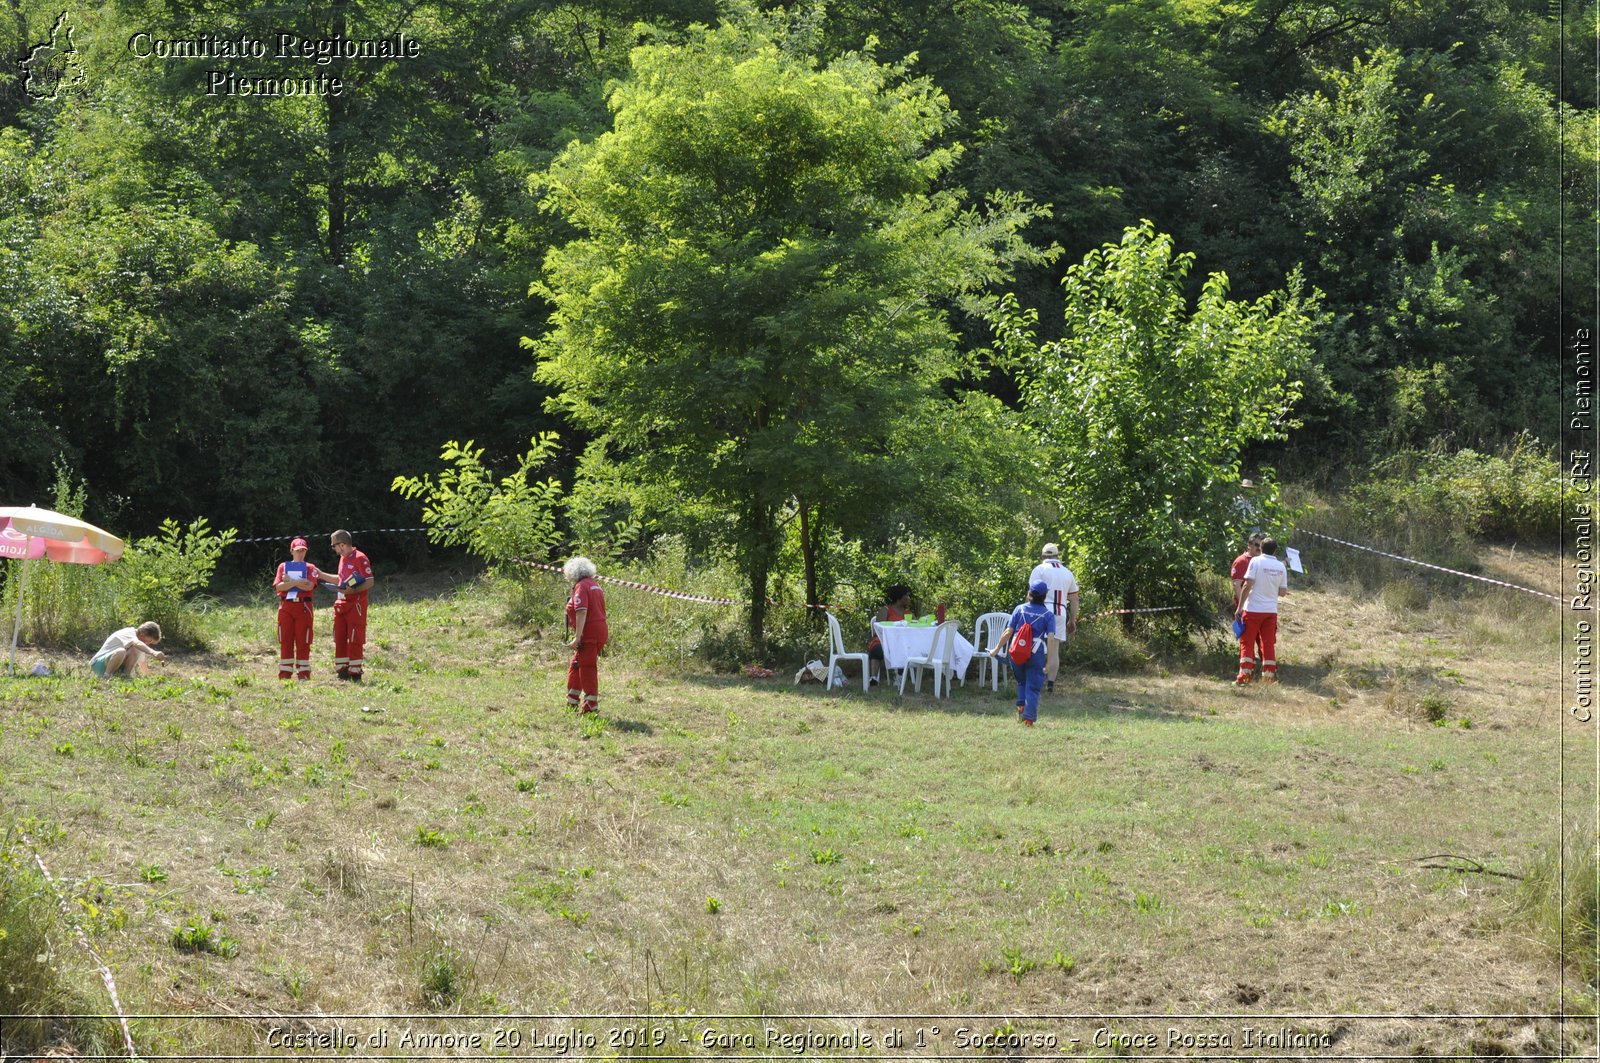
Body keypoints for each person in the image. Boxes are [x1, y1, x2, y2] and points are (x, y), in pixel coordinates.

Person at [988, 580, 1055, 726]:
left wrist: (996, 650)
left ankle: (1021, 709)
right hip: (1035, 653)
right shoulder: (1048, 615)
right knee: (1033, 686)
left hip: (1016, 651)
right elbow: (1050, 640)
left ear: (1029, 593)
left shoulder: (1019, 609)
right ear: (1045, 596)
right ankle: (1028, 720)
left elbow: (1008, 632)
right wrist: (1049, 663)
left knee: (1021, 681)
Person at [1235, 536, 1290, 684]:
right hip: (1270, 611)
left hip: (1252, 609)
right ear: (1275, 550)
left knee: (1247, 642)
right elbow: (1283, 592)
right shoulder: (1281, 567)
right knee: (1268, 644)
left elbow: (1247, 585)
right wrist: (1270, 586)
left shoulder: (1256, 562)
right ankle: (1269, 678)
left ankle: (1245, 677)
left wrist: (1240, 607)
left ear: (1260, 548)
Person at [1028, 543, 1079, 694]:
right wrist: (1072, 620)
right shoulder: (1067, 572)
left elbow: (1030, 595)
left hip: (1041, 610)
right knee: (1054, 648)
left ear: (1042, 556)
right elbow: (1075, 599)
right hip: (1060, 611)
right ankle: (1050, 684)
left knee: (1036, 646)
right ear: (1057, 556)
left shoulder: (1039, 569)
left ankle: (1035, 681)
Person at [273, 536, 327, 681]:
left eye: (303, 550)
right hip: (286, 606)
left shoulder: (310, 567)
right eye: (298, 550)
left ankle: (303, 674)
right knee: (286, 639)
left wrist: (290, 581)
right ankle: (285, 674)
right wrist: (298, 582)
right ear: (291, 551)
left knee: (304, 640)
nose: (301, 553)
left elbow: (309, 585)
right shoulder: (283, 567)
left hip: (303, 606)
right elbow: (279, 586)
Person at [563, 556, 609, 714]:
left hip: (589, 633)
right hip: (599, 630)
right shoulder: (594, 584)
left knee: (587, 667)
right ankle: (572, 701)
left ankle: (590, 706)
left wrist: (577, 636)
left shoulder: (582, 586)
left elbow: (581, 611)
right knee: (576, 664)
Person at [329, 529, 376, 682]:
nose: (334, 549)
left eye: (334, 546)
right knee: (340, 636)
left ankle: (355, 673)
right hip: (341, 603)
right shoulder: (343, 558)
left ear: (342, 544)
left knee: (355, 636)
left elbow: (369, 581)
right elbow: (341, 579)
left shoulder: (360, 558)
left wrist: (353, 589)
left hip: (356, 604)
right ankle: (342, 670)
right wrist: (321, 574)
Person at [1230, 532, 1264, 672]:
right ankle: (1247, 670)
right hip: (1246, 609)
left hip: (1260, 608)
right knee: (1247, 641)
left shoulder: (1261, 561)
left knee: (1262, 639)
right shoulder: (1241, 561)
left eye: (1261, 545)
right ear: (1249, 545)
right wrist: (1243, 606)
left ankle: (1267, 668)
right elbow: (1236, 585)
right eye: (1256, 545)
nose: (1259, 548)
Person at [866, 584, 912, 687]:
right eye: (907, 595)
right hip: (882, 640)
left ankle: (899, 677)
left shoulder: (908, 613)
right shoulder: (885, 610)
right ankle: (873, 678)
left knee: (905, 649)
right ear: (900, 597)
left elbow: (914, 627)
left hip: (901, 643)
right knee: (877, 649)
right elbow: (878, 628)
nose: (909, 598)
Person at [90, 621, 163, 678]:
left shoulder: (139, 645)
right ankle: (106, 676)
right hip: (98, 664)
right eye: (149, 641)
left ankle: (125, 676)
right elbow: (136, 643)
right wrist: (154, 652)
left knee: (135, 650)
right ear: (142, 634)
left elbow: (143, 664)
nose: (148, 644)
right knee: (122, 651)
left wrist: (149, 675)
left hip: (112, 664)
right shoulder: (129, 633)